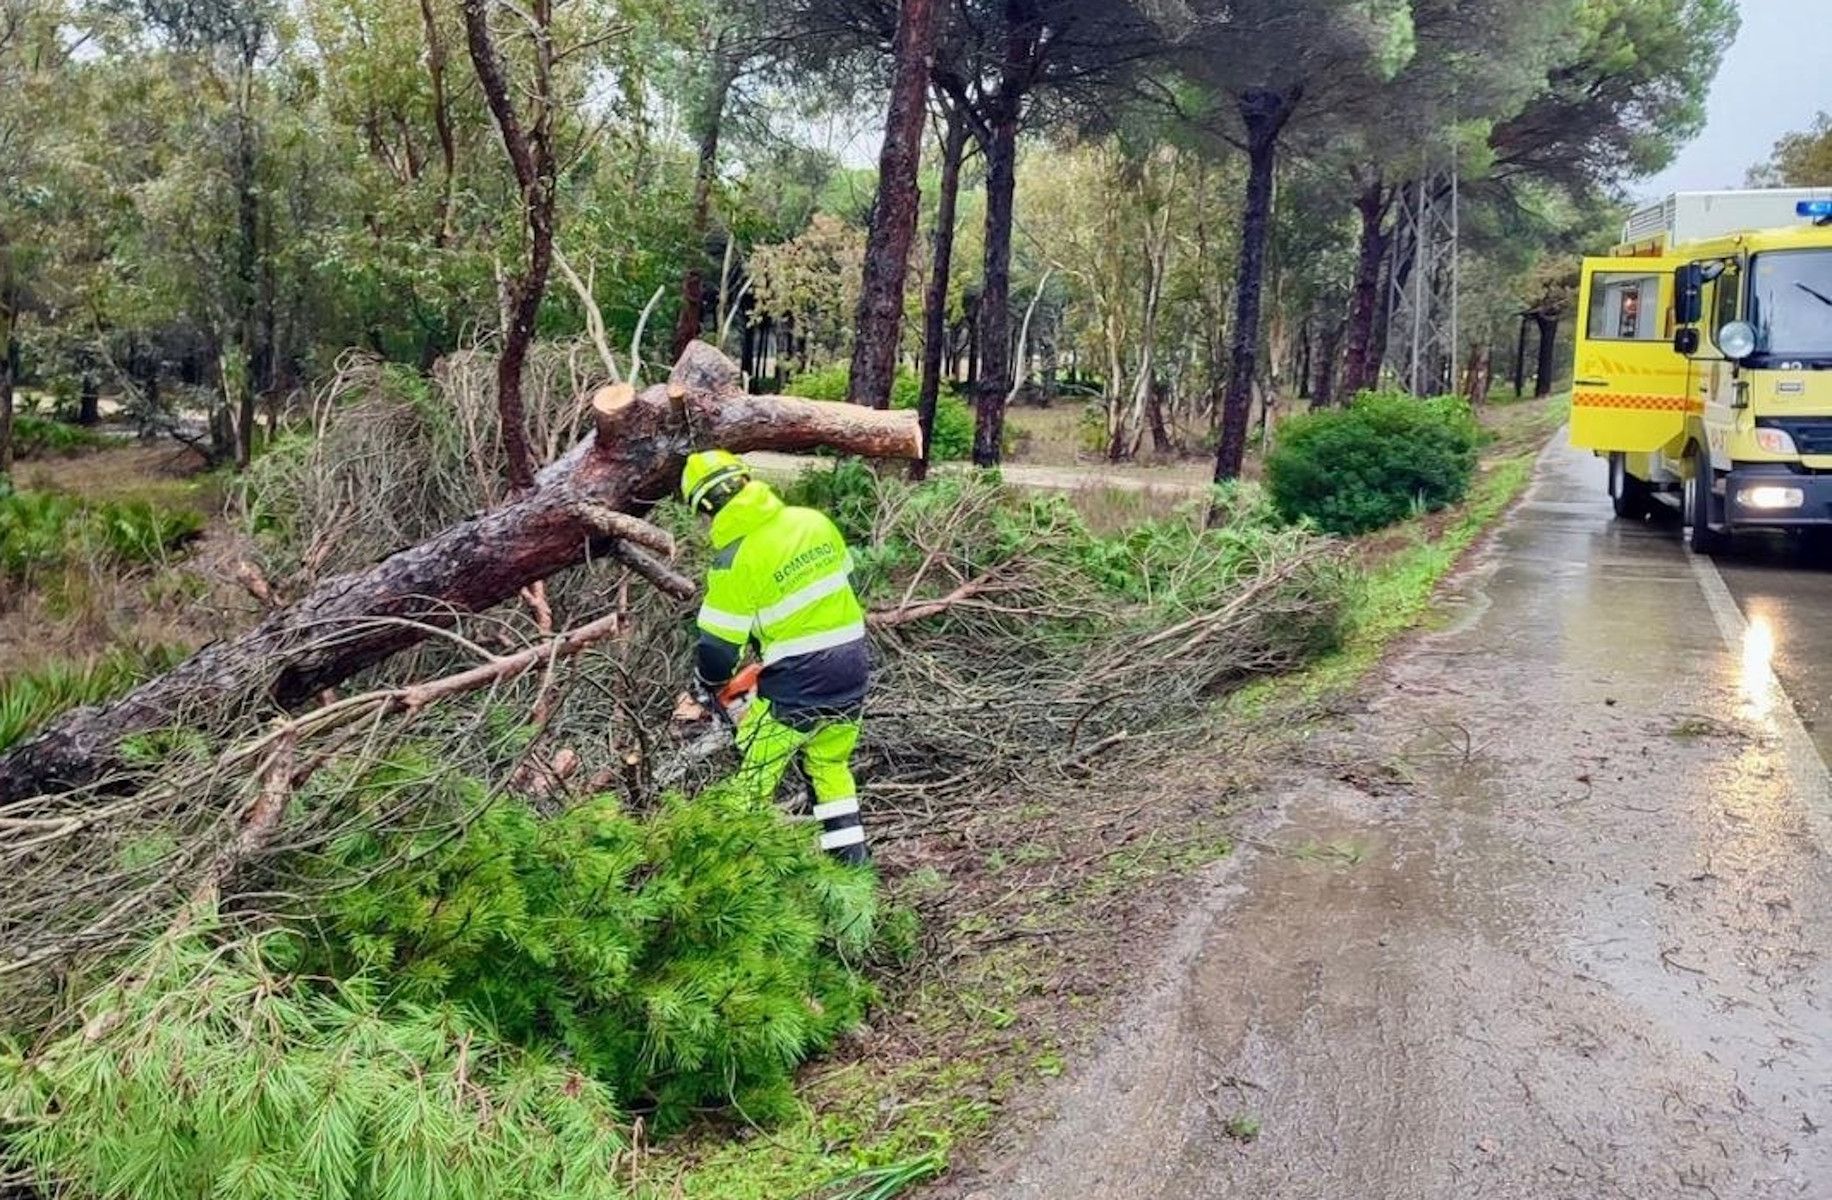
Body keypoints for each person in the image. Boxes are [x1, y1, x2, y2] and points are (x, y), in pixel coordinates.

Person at [681, 449, 871, 864]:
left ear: (706, 509)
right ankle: (853, 878)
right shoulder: (812, 521)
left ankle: (716, 871)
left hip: (800, 681)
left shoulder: (733, 561)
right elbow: (846, 582)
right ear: (747, 480)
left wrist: (711, 685)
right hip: (854, 665)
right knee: (829, 765)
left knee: (754, 773)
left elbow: (717, 648)